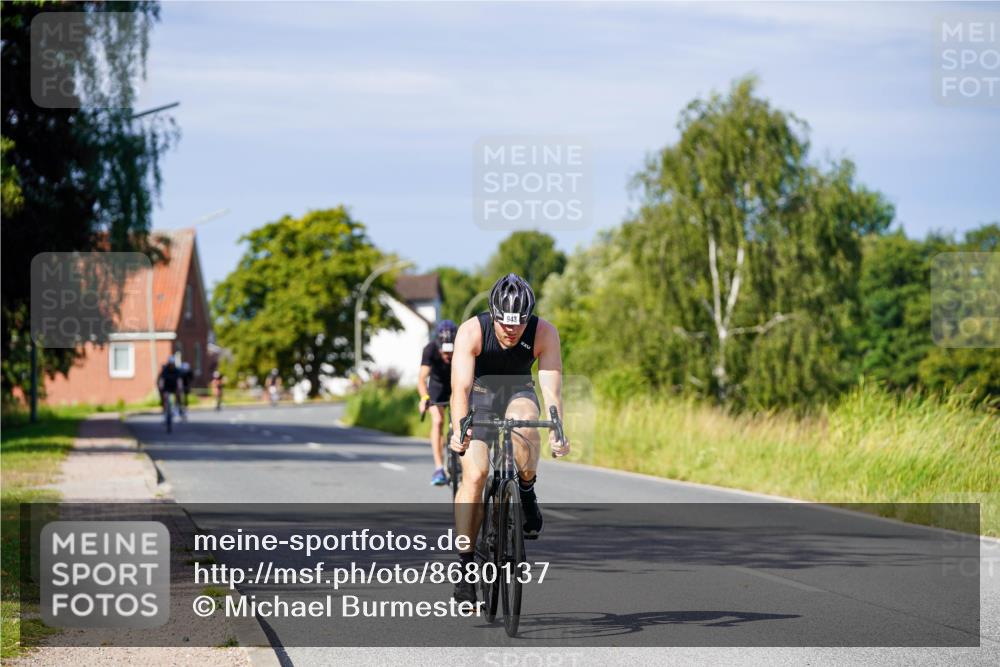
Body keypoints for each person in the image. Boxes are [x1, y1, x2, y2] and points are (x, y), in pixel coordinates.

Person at [448, 273, 570, 604]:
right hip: (479, 396)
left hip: (518, 391)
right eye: (504, 323)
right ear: (493, 314)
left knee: (527, 420)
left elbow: (551, 391)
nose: (512, 330)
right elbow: (459, 388)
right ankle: (464, 567)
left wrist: (558, 430)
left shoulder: (544, 332)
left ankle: (527, 492)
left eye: (519, 323)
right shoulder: (472, 331)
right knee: (475, 474)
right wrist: (460, 429)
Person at [418, 320, 457, 486]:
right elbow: (421, 379)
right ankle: (439, 467)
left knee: (460, 420)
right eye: (444, 352)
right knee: (438, 420)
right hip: (437, 386)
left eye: (451, 352)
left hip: (457, 384)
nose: (447, 356)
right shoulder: (430, 349)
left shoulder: (463, 346)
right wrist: (424, 398)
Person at [157, 356, 183, 421]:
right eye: (170, 364)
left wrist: (180, 387)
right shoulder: (165, 370)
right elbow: (161, 379)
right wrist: (161, 387)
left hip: (174, 386)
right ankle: (165, 413)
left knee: (178, 395)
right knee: (165, 397)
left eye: (173, 364)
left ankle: (176, 409)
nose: (172, 365)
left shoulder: (177, 370)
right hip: (166, 386)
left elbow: (179, 380)